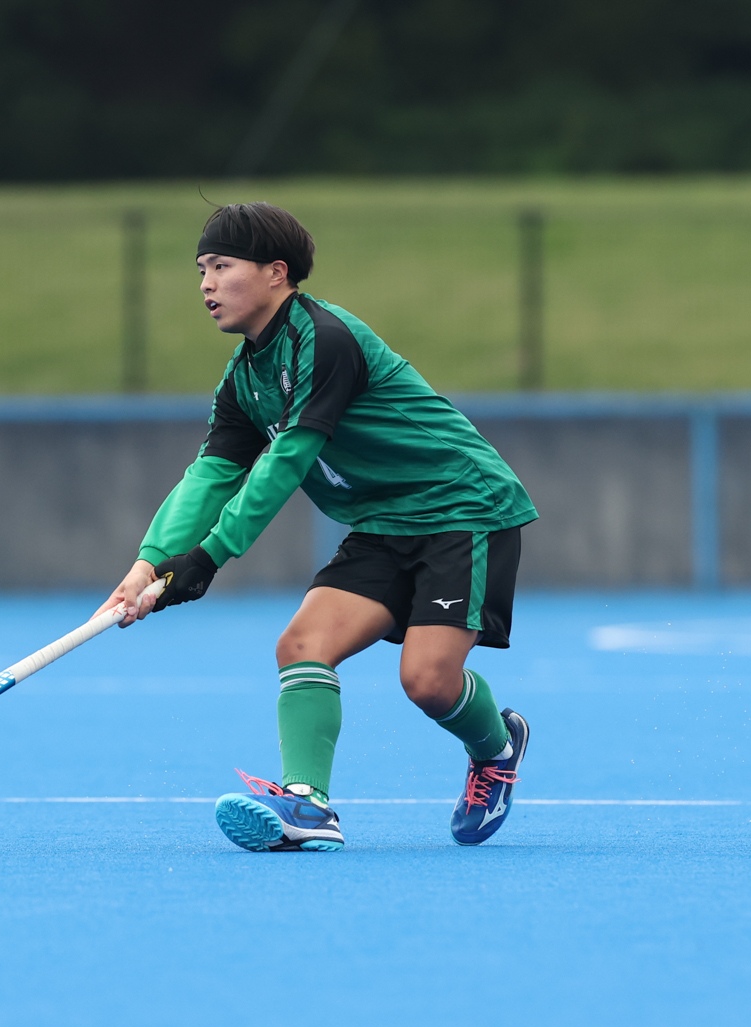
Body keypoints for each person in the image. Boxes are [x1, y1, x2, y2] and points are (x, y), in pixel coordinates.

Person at [104, 202, 538, 851]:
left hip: (461, 508)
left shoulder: (324, 341)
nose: (206, 284)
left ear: (276, 272)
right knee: (302, 644)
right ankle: (307, 806)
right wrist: (149, 563)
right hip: (381, 523)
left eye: (221, 266)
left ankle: (497, 748)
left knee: (427, 681)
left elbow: (287, 461)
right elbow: (210, 475)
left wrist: (209, 556)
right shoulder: (244, 378)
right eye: (201, 270)